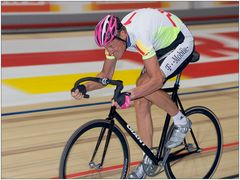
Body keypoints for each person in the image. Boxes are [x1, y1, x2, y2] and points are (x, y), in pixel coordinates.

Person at [72, 8, 194, 179]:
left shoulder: (140, 34)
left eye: (112, 46)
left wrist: (129, 94)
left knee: (144, 85)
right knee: (141, 100)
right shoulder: (114, 40)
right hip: (158, 46)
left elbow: (157, 80)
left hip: (179, 42)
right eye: (106, 47)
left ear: (122, 33)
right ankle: (149, 159)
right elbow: (105, 76)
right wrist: (84, 87)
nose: (110, 51)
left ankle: (182, 122)